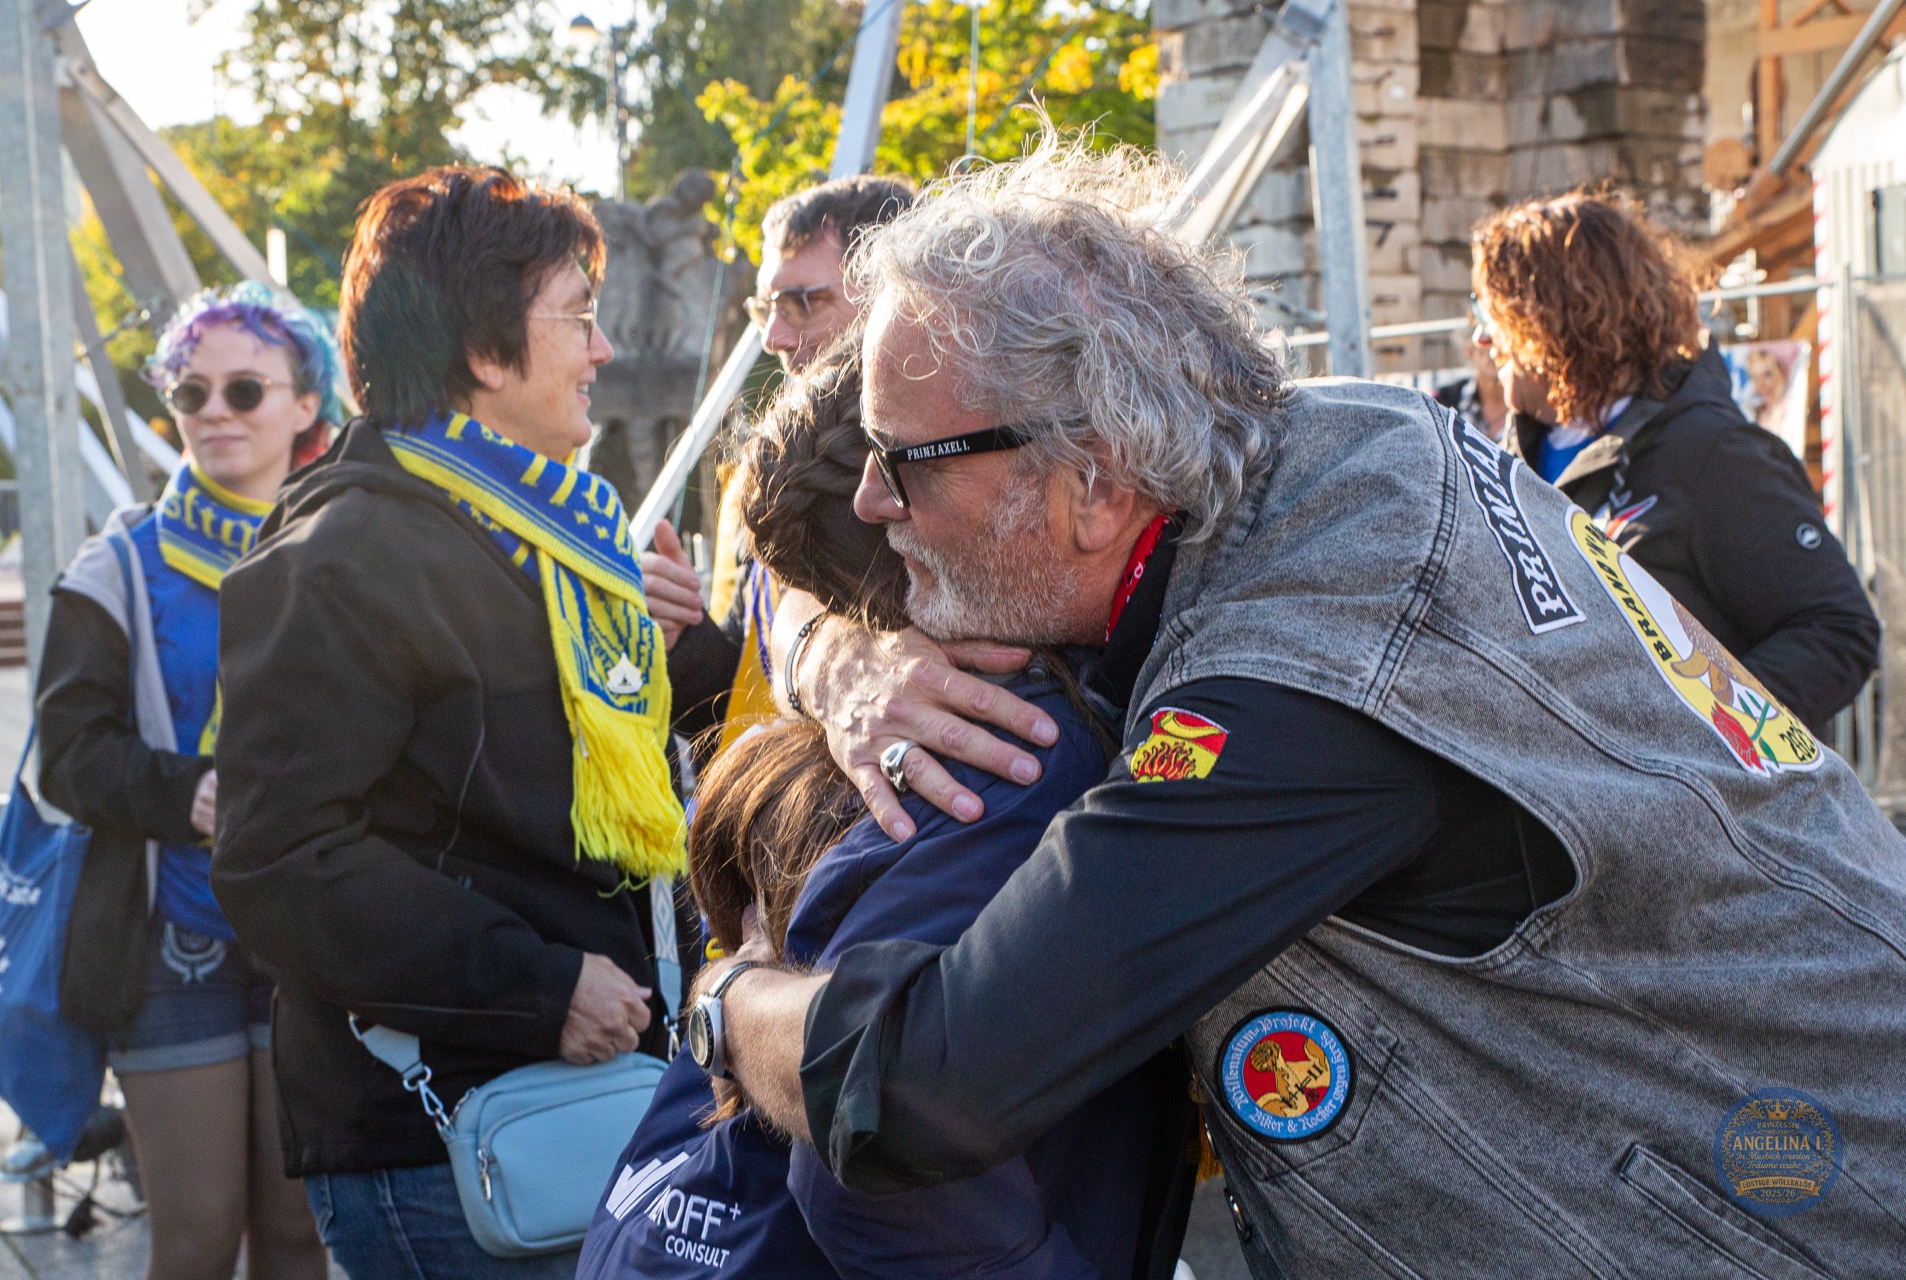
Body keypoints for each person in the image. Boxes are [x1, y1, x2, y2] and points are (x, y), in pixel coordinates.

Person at [686, 132, 1905, 1275]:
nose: (873, 502)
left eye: (902, 461)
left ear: (1093, 485)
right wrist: (832, 646)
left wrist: (729, 1002)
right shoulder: (1343, 441)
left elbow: (925, 1087)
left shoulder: (1296, 678)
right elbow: (796, 545)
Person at [576, 346, 1191, 1280]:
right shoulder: (1011, 751)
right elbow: (875, 1159)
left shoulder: (812, 744)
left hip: (667, 1230)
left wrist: (725, 1003)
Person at [211, 167, 689, 1280]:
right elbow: (280, 859)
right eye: (577, 317)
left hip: (569, 1105)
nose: (603, 349)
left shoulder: (549, 539)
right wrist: (537, 986)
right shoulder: (344, 554)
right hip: (444, 1143)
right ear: (484, 350)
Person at [36, 283, 338, 1280]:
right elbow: (66, 753)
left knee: (299, 1235)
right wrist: (186, 793)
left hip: (306, 931)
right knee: (199, 1237)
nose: (215, 411)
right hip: (171, 935)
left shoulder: (336, 553)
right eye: (189, 391)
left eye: (245, 389)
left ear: (305, 404)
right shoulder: (117, 564)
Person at [1470, 192, 1878, 732]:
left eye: (1490, 314)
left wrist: (1695, 733)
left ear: (1554, 321)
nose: (1480, 337)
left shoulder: (1712, 453)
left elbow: (1838, 630)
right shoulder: (1507, 457)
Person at [642, 175, 919, 750]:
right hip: (765, 795)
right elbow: (739, 687)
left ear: (895, 295)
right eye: (765, 307)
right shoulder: (760, 479)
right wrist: (680, 635)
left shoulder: (948, 471)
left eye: (803, 302)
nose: (773, 336)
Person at [1435, 326, 1508, 442]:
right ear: (1468, 347)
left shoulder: (1530, 406)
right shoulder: (1444, 401)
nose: (1495, 348)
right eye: (1486, 337)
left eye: (1504, 337)